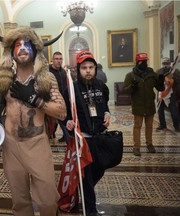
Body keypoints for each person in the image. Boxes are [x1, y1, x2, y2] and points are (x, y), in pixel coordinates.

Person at [0, 27, 66, 216]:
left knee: (48, 201)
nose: (22, 48)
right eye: (17, 45)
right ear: (11, 51)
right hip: (11, 146)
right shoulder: (5, 80)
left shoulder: (45, 79)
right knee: (20, 202)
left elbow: (61, 112)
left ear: (35, 49)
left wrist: (35, 99)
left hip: (37, 145)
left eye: (27, 44)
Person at [63, 50, 110, 216]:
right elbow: (66, 112)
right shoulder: (72, 89)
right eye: (84, 67)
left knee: (101, 168)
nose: (88, 70)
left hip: (100, 137)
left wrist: (107, 114)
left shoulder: (101, 87)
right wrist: (67, 121)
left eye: (91, 67)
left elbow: (105, 105)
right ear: (79, 69)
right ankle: (91, 209)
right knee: (87, 174)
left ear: (95, 68)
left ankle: (85, 189)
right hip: (83, 139)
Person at [123, 53, 165, 156]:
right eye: (142, 61)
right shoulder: (130, 75)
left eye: (146, 61)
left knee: (149, 126)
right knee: (137, 126)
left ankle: (149, 144)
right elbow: (125, 91)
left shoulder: (152, 74)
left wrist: (160, 82)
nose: (144, 63)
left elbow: (160, 88)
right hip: (138, 105)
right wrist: (132, 87)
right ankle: (136, 147)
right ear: (137, 62)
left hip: (149, 104)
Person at [156, 57, 180, 132]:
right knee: (160, 111)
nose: (165, 65)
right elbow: (155, 82)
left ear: (169, 63)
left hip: (171, 94)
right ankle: (162, 125)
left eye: (167, 63)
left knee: (174, 111)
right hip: (161, 93)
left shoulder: (175, 71)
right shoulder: (158, 71)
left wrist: (173, 76)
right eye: (164, 63)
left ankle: (177, 127)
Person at [48, 51, 69, 143]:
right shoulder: (47, 71)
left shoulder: (63, 72)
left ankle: (65, 136)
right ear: (52, 60)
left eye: (60, 59)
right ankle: (52, 134)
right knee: (55, 119)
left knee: (62, 119)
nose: (58, 61)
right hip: (51, 99)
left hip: (63, 99)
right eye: (56, 59)